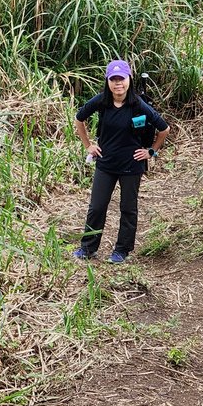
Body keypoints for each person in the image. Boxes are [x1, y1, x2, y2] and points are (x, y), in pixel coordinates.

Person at [72, 59, 170, 264]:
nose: (118, 84)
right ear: (108, 81)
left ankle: (122, 250)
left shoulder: (138, 104)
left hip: (131, 165)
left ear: (129, 80)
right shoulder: (101, 101)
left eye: (121, 79)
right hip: (106, 163)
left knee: (128, 208)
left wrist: (151, 151)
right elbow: (79, 119)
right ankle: (88, 248)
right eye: (113, 79)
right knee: (97, 207)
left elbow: (164, 128)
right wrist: (88, 145)